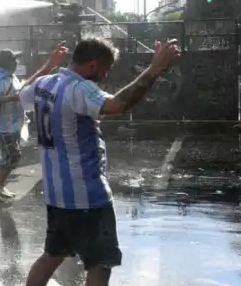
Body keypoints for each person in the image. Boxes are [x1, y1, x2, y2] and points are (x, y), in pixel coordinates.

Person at [20, 37, 180, 286]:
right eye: (105, 69)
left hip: (56, 195)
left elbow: (22, 94)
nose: (104, 76)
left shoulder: (44, 83)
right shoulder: (80, 89)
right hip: (88, 196)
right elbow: (118, 104)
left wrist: (47, 65)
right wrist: (154, 70)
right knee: (100, 263)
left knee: (53, 254)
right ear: (93, 65)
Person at [0, 46, 68, 200]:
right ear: (9, 63)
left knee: (10, 156)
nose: (17, 62)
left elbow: (25, 86)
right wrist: (16, 97)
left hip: (11, 124)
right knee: (13, 156)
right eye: (15, 59)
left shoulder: (8, 77)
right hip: (3, 126)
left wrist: (48, 66)